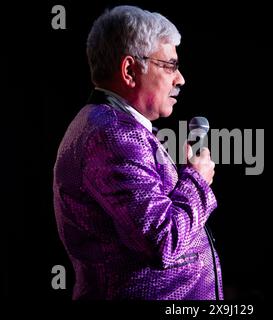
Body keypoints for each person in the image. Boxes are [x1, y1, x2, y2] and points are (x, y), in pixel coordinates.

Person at [53, 5, 223, 300]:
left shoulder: (113, 126)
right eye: (170, 65)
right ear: (130, 70)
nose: (180, 79)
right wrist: (196, 180)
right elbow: (163, 240)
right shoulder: (113, 135)